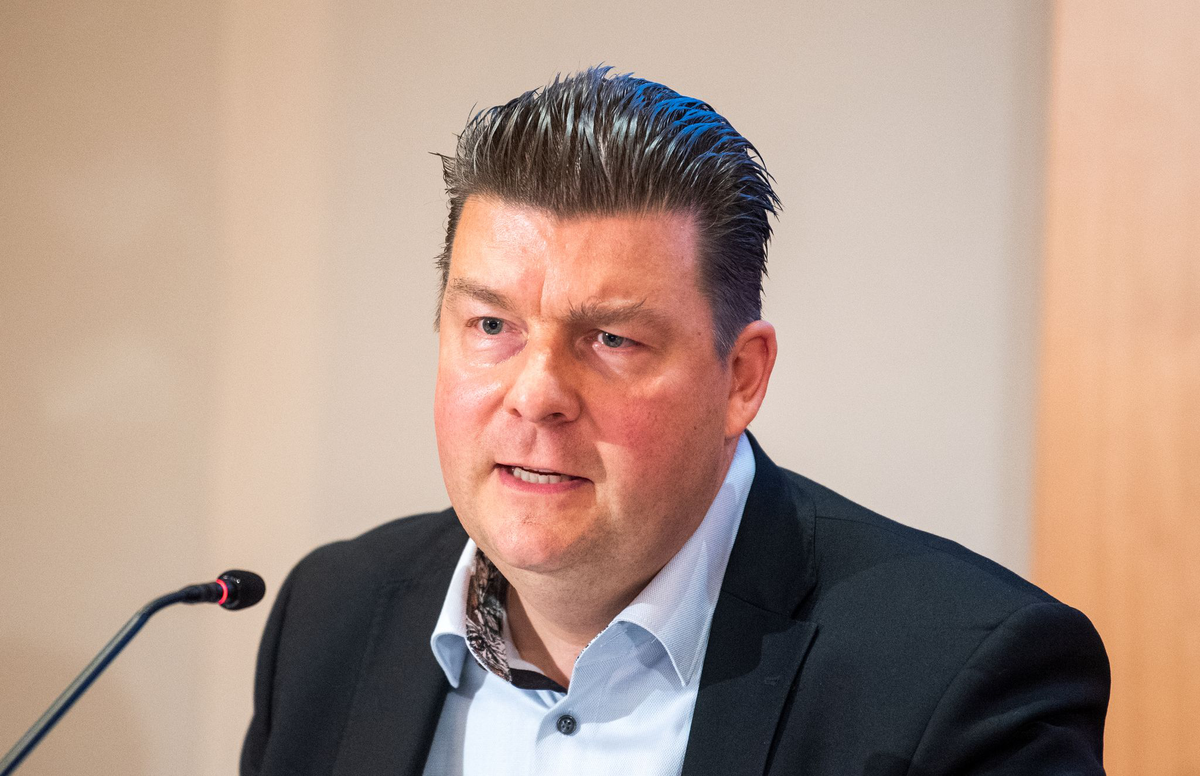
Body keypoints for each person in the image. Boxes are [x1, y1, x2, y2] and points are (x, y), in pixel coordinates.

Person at [240, 67, 1109, 776]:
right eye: (492, 326)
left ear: (741, 378)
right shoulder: (331, 615)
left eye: (612, 339)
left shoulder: (956, 677)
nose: (536, 394)